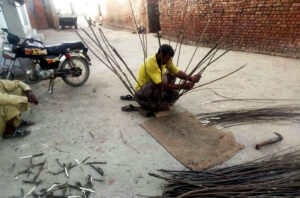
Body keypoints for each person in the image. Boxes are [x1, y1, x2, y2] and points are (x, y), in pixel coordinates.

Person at [135, 44, 201, 102]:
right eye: (167, 59)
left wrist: (191, 79)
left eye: (169, 59)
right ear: (160, 55)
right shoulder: (151, 63)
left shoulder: (167, 60)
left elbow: (177, 72)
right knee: (162, 80)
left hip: (154, 87)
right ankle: (155, 98)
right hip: (142, 91)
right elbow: (160, 84)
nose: (168, 61)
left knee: (172, 74)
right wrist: (182, 86)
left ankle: (165, 93)